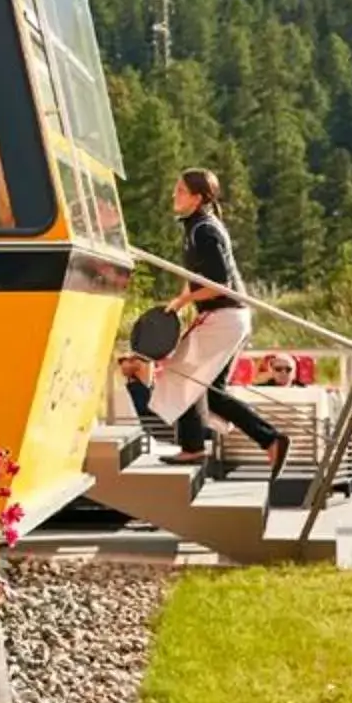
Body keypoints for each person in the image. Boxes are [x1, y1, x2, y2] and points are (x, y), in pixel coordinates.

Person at [147, 168, 292, 480]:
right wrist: (180, 300)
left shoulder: (204, 231)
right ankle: (270, 440)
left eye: (181, 191)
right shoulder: (198, 227)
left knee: (180, 372)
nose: (175, 195)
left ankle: (193, 447)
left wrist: (186, 302)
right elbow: (200, 279)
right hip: (230, 317)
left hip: (224, 316)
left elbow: (219, 284)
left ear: (197, 198)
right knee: (210, 391)